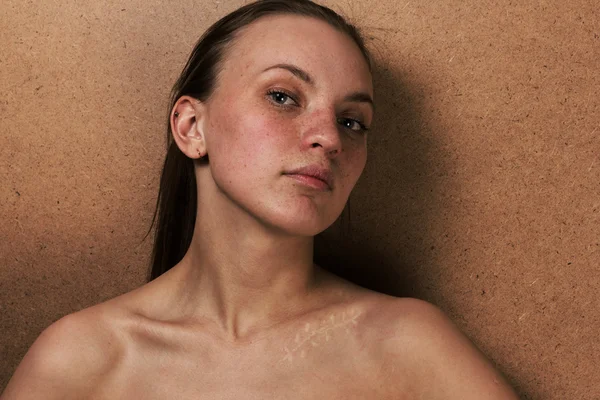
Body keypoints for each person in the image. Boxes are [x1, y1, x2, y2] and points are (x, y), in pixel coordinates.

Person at [1, 0, 519, 398]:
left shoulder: (408, 346)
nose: (329, 139)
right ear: (191, 126)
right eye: (283, 96)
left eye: (352, 121)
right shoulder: (82, 358)